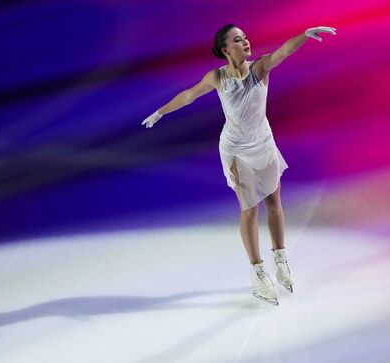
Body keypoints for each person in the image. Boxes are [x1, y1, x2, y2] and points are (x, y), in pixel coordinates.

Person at [141, 25, 337, 305]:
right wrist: (160, 112)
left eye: (245, 37)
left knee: (273, 203)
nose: (245, 42)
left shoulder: (260, 69)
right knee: (249, 208)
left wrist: (304, 35)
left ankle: (280, 261)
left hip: (263, 143)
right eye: (238, 40)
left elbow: (283, 52)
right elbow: (189, 94)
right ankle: (258, 271)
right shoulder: (216, 77)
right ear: (225, 49)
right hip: (235, 150)